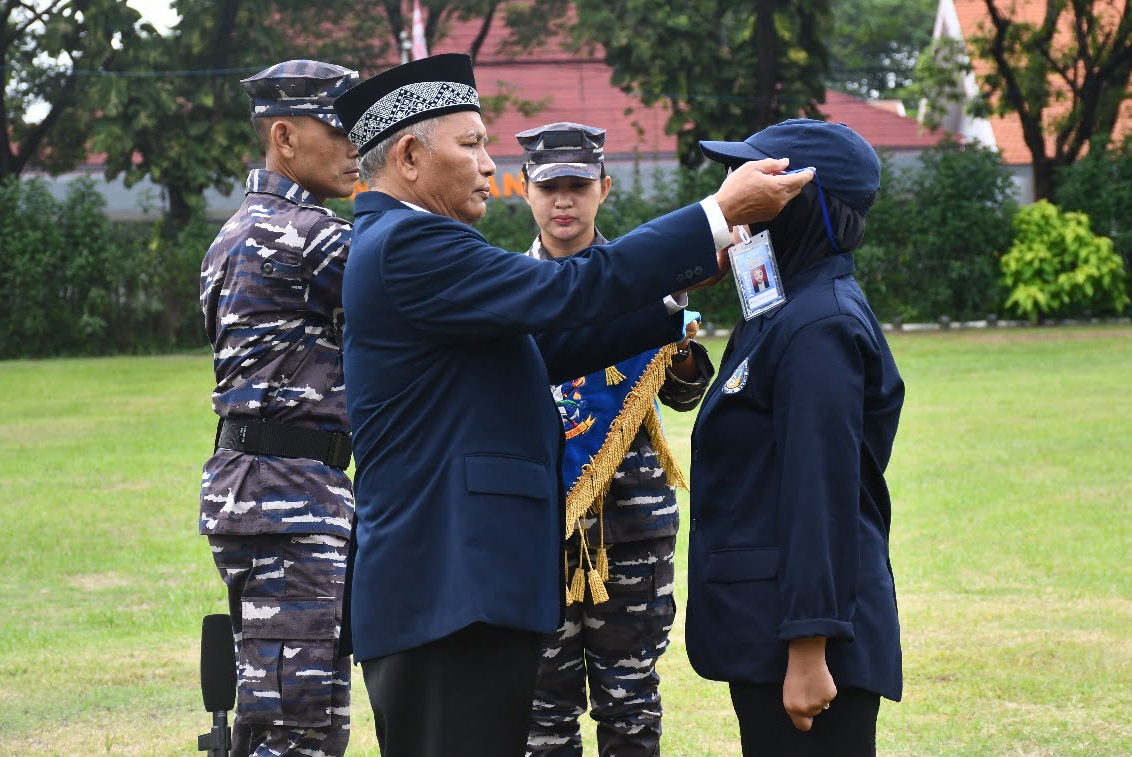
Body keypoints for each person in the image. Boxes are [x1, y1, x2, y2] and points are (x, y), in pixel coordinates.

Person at [331, 53, 813, 757]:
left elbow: (544, 345)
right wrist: (717, 214)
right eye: (470, 145)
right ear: (408, 155)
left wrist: (675, 294)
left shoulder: (409, 242)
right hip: (447, 594)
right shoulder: (409, 244)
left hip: (462, 591)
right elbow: (565, 293)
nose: (487, 165)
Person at [685, 118, 905, 756]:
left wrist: (809, 649)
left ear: (800, 205)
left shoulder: (819, 327)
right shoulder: (784, 306)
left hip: (807, 646)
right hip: (772, 629)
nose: (737, 194)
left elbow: (821, 493)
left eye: (756, 181)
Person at [516, 122, 715, 756]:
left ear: (604, 188)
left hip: (630, 524)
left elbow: (680, 397)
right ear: (525, 192)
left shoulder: (644, 279)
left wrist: (680, 354)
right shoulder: (504, 290)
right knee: (542, 711)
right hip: (536, 528)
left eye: (578, 186)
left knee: (630, 702)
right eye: (550, 188)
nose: (564, 201)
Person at [198, 60, 360, 757]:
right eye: (340, 129)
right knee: (298, 729)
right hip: (288, 500)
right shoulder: (308, 235)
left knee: (299, 716)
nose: (358, 146)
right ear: (285, 137)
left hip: (264, 494)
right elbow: (419, 285)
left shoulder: (234, 233)